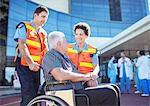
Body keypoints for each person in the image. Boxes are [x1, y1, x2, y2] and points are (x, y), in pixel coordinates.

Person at [42, 31, 119, 106]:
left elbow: (76, 75)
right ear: (59, 44)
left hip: (76, 91)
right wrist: (85, 77)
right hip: (66, 94)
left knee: (114, 87)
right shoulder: (50, 55)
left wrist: (88, 79)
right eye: (65, 42)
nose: (68, 44)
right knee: (109, 92)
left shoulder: (65, 58)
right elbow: (60, 75)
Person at [13, 5, 49, 106]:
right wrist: (30, 63)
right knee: (28, 94)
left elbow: (45, 51)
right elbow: (22, 45)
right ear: (35, 15)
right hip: (25, 65)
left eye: (46, 17)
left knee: (37, 95)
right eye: (42, 16)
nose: (44, 19)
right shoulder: (24, 26)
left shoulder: (43, 33)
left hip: (37, 67)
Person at [66, 22, 99, 87]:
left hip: (87, 77)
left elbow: (96, 66)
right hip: (72, 76)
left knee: (93, 83)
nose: (78, 37)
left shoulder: (93, 50)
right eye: (76, 34)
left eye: (80, 34)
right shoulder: (67, 48)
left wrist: (94, 74)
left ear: (86, 36)